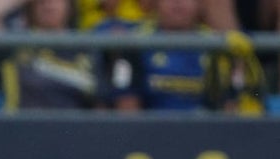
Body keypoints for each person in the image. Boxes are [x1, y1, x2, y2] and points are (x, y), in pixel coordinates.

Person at [100, 0, 265, 113]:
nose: (178, 2)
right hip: (149, 134)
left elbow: (229, 108)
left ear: (200, 3)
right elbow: (127, 108)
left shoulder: (217, 47)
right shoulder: (134, 43)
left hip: (206, 135)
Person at [0, 0, 102, 109]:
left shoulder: (85, 46)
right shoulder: (17, 43)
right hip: (23, 129)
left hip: (75, 131)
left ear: (69, 5)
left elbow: (100, 103)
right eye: (41, 0)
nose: (48, 4)